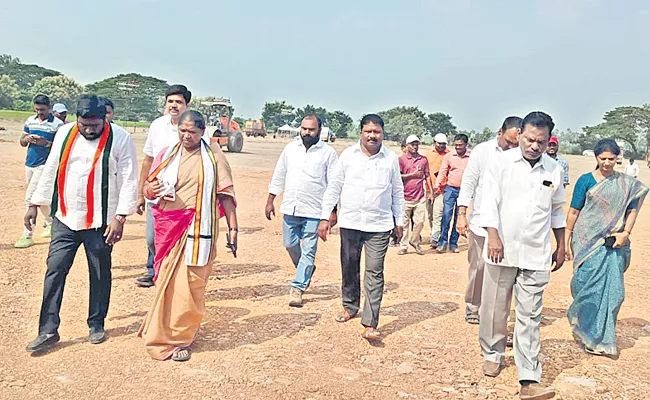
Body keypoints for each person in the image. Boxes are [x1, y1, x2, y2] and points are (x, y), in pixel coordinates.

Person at [24, 95, 138, 353]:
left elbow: (130, 179)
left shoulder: (120, 138)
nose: (88, 129)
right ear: (76, 118)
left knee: (99, 272)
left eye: (94, 125)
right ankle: (48, 330)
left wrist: (120, 217)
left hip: (101, 220)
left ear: (104, 118)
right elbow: (52, 168)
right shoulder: (65, 134)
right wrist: (33, 203)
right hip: (66, 216)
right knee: (55, 269)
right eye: (84, 124)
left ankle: (96, 322)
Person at [138, 110, 237, 362]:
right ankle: (161, 330)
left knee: (191, 285)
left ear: (203, 131)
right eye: (182, 131)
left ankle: (180, 339)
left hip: (197, 230)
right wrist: (149, 189)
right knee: (166, 282)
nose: (187, 136)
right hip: (168, 229)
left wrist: (233, 229)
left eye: (192, 132)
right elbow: (150, 188)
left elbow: (226, 195)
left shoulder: (214, 158)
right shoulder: (167, 155)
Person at [479, 111, 564, 399]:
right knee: (494, 308)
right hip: (500, 248)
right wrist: (492, 234)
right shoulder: (500, 163)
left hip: (535, 251)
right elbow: (488, 201)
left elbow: (556, 209)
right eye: (529, 139)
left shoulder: (554, 169)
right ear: (520, 135)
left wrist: (561, 244)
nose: (534, 146)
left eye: (541, 141)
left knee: (530, 315)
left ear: (548, 140)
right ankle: (492, 352)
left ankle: (529, 377)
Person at [318, 114, 404, 341]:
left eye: (377, 132)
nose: (372, 135)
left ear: (383, 134)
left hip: (380, 224)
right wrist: (325, 216)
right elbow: (334, 186)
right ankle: (349, 305)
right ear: (361, 133)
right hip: (351, 223)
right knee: (349, 266)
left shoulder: (390, 159)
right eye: (368, 131)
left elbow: (397, 191)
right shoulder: (347, 156)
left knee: (374, 272)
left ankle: (370, 322)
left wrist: (399, 221)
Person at [565, 139, 648, 358]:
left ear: (618, 158)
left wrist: (626, 233)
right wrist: (566, 239)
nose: (608, 163)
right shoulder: (585, 180)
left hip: (612, 243)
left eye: (612, 159)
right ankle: (584, 329)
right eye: (603, 159)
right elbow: (574, 211)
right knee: (584, 285)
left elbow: (632, 209)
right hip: (585, 241)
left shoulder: (625, 183)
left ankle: (602, 339)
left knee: (614, 292)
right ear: (596, 158)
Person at [135, 85, 208, 288]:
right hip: (157, 195)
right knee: (152, 238)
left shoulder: (199, 130)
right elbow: (148, 160)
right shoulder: (157, 126)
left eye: (178, 102)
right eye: (170, 101)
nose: (174, 105)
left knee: (182, 240)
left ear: (187, 105)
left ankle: (171, 276)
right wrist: (142, 192)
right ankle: (155, 269)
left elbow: (207, 162)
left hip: (185, 198)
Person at [266, 115, 339, 307]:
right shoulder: (290, 149)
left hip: (315, 211)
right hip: (291, 207)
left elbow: (334, 184)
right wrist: (270, 199)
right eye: (304, 129)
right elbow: (279, 173)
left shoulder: (328, 153)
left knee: (309, 250)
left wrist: (332, 211)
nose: (307, 132)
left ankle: (298, 287)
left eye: (311, 129)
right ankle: (306, 269)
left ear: (319, 130)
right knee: (289, 244)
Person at [456, 116, 522, 325]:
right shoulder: (482, 152)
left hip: (509, 226)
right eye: (509, 142)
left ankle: (496, 311)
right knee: (479, 267)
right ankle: (473, 306)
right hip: (481, 224)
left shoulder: (522, 156)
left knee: (504, 271)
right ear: (499, 133)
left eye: (516, 143)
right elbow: (469, 181)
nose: (512, 146)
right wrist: (462, 213)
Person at [15, 95, 64, 248]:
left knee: (30, 198)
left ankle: (27, 235)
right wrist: (27, 139)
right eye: (37, 110)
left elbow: (61, 148)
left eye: (42, 110)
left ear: (49, 107)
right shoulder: (30, 120)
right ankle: (50, 222)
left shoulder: (58, 125)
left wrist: (46, 143)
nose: (39, 113)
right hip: (30, 163)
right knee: (40, 196)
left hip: (46, 165)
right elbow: (22, 142)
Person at [434, 133, 470, 253]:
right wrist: (437, 184)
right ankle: (442, 242)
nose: (458, 147)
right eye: (456, 145)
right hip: (450, 189)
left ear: (466, 144)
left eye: (460, 145)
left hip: (464, 191)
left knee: (459, 217)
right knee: (446, 216)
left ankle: (454, 243)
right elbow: (443, 171)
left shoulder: (472, 156)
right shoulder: (449, 156)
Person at [398, 135, 433, 255]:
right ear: (407, 146)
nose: (415, 146)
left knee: (420, 222)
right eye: (412, 144)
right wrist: (412, 175)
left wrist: (431, 192)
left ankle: (414, 241)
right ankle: (403, 246)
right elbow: (397, 177)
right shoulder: (401, 160)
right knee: (404, 223)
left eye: (417, 144)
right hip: (405, 196)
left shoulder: (423, 160)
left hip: (420, 196)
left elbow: (427, 176)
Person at [425, 133, 450, 248]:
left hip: (442, 190)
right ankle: (434, 233)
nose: (441, 146)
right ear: (434, 143)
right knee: (430, 215)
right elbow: (426, 173)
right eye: (439, 143)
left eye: (443, 144)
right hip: (429, 190)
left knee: (438, 214)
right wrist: (430, 189)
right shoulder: (428, 155)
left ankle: (435, 238)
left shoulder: (449, 155)